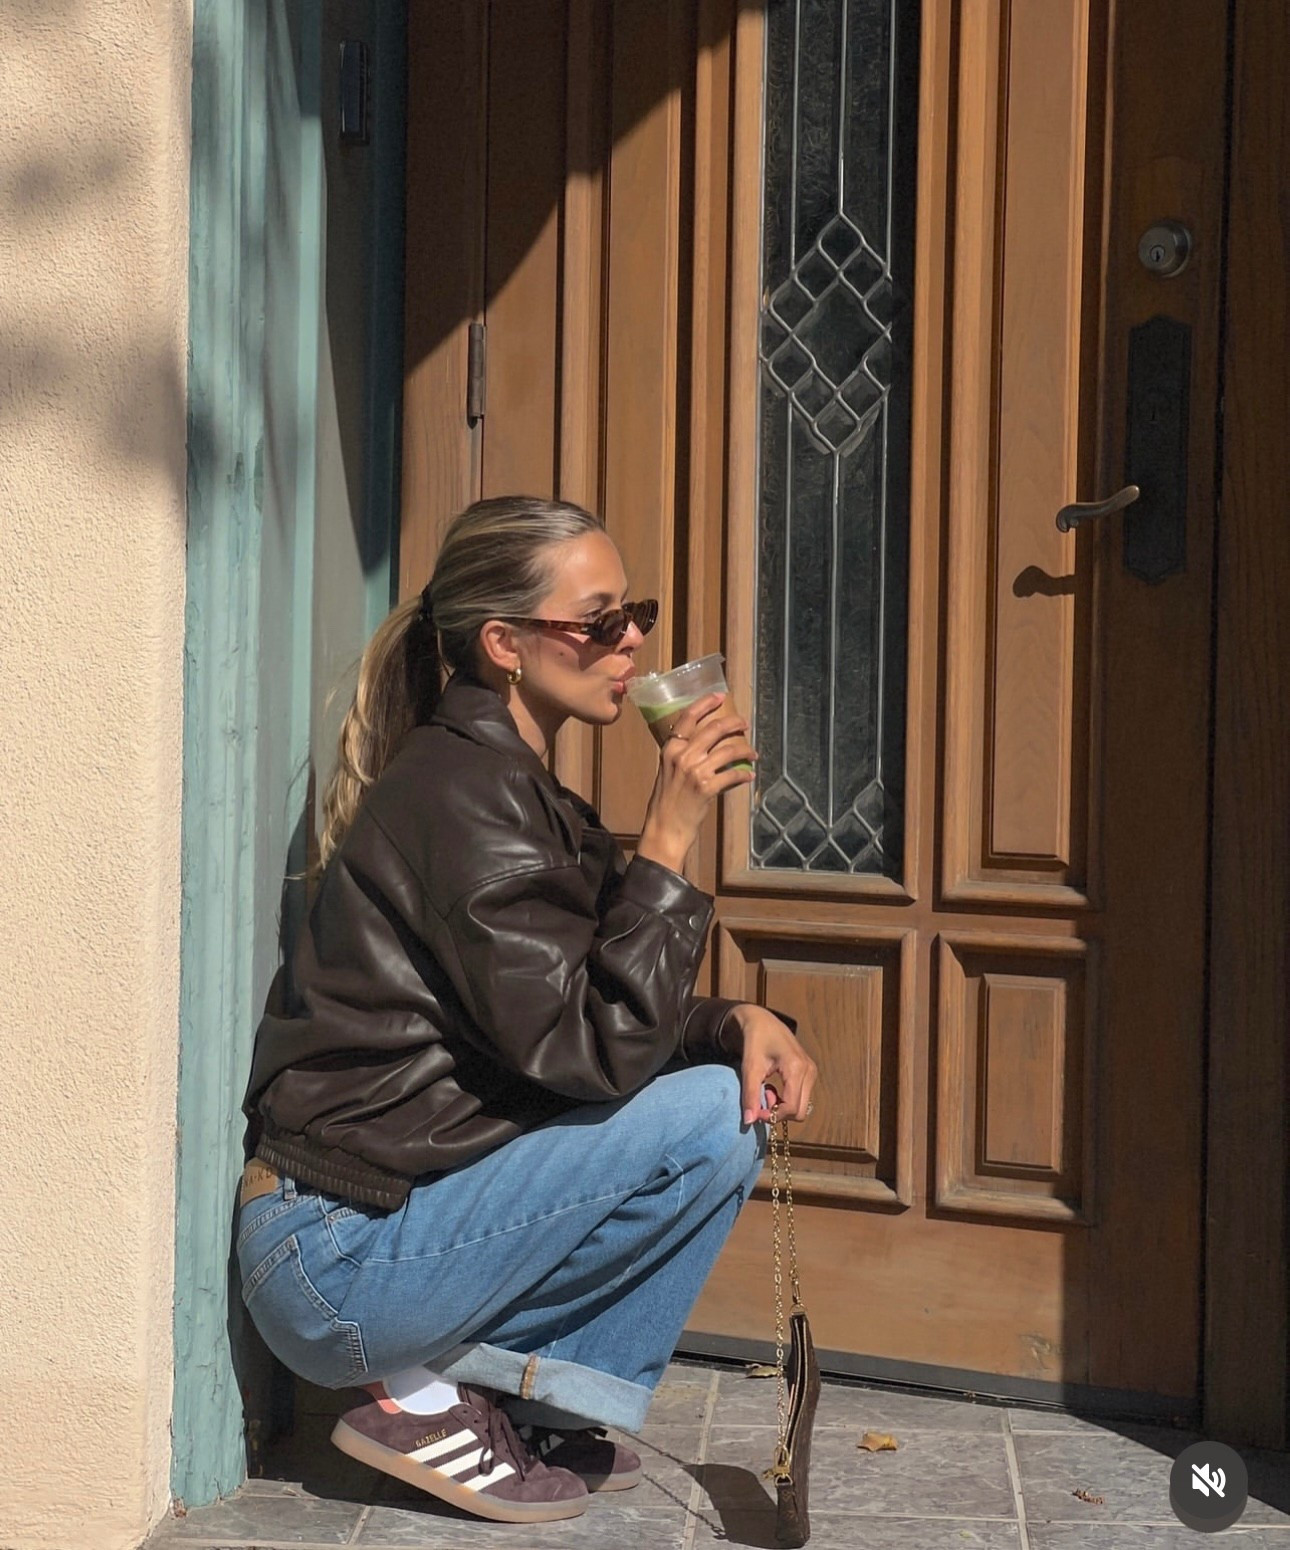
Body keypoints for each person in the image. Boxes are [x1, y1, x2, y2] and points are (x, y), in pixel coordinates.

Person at [237, 496, 818, 1524]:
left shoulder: (508, 786)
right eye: (598, 622)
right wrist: (671, 835)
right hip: (337, 1256)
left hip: (387, 1228)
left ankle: (520, 1401)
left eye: (632, 611)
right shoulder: (460, 797)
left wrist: (730, 1022)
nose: (632, 640)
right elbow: (590, 1050)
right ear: (504, 643)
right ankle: (417, 1400)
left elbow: (581, 997)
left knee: (723, 1100)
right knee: (702, 1117)